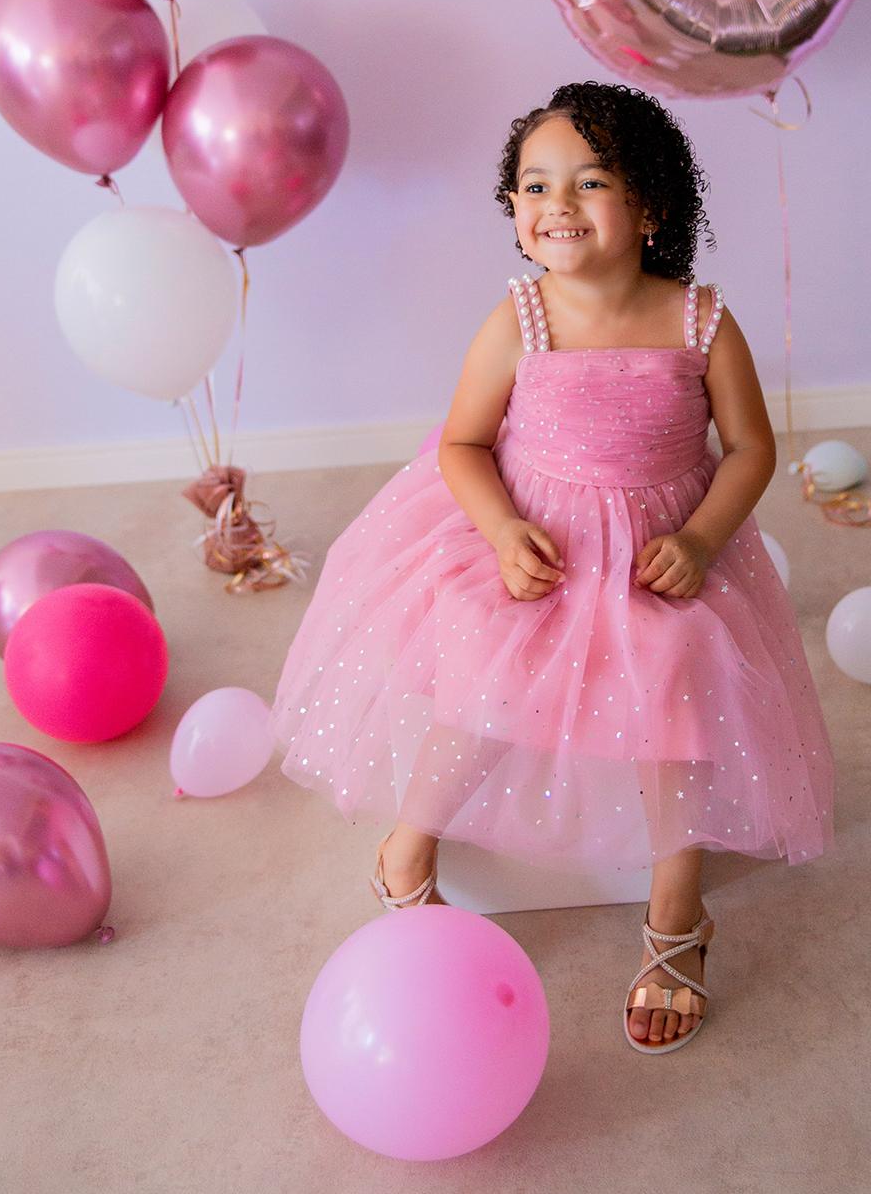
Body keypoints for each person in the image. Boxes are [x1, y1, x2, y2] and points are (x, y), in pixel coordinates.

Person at [273, 82, 833, 1053]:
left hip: (660, 552)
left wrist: (701, 540)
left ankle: (676, 912)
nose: (555, 205)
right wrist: (498, 532)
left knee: (678, 684)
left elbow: (750, 449)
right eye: (533, 185)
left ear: (651, 205)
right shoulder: (519, 320)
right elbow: (461, 446)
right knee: (489, 672)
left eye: (590, 181)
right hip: (535, 537)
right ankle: (408, 847)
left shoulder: (700, 322)